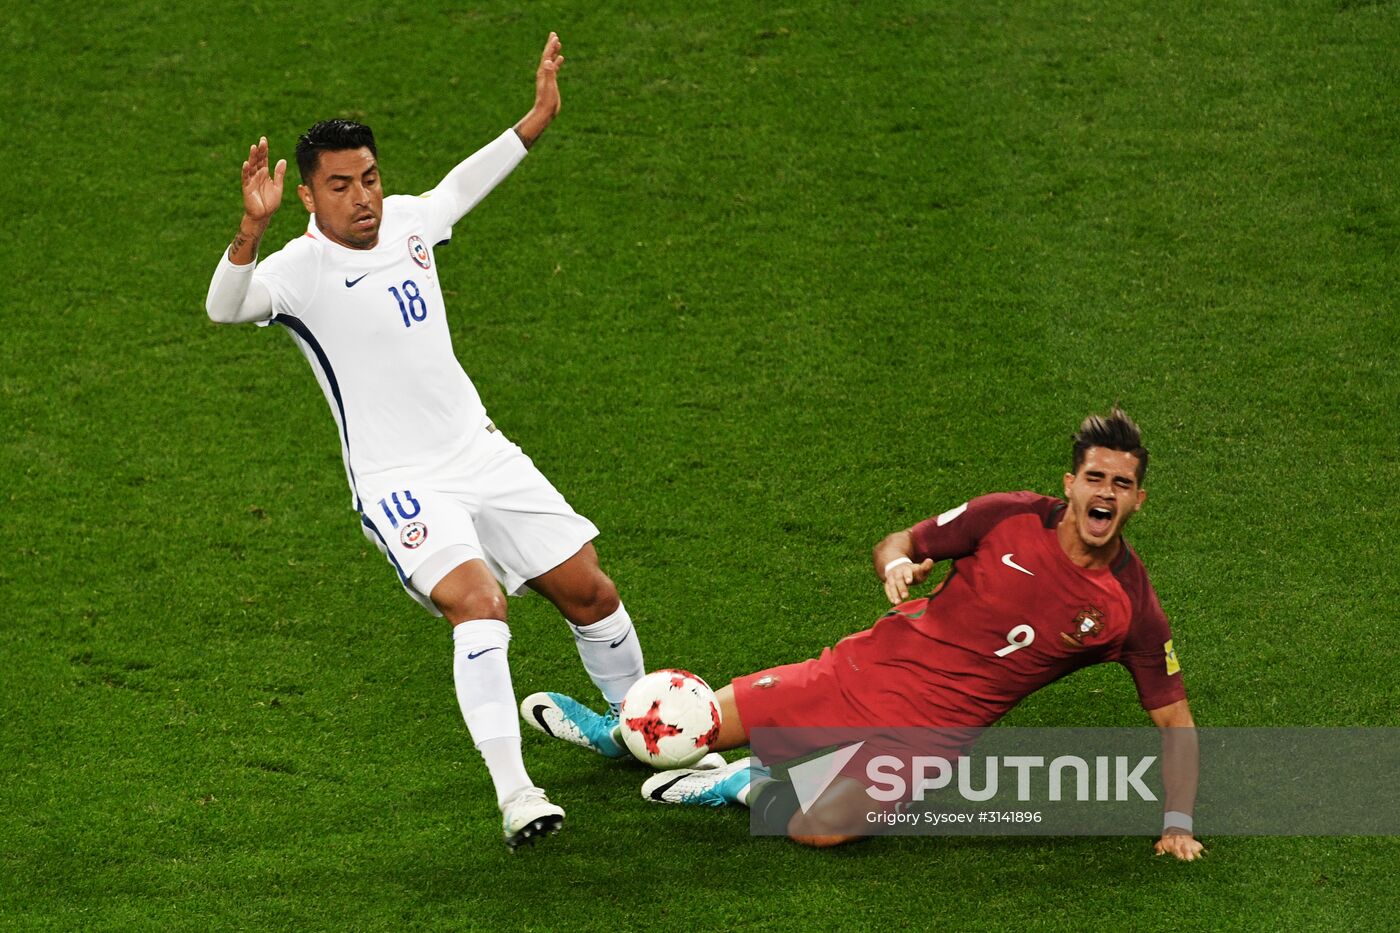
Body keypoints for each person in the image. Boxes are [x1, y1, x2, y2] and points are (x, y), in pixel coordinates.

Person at [203, 34, 648, 849]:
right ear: (306, 196)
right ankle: (517, 792)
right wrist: (246, 232)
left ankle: (642, 727)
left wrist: (537, 118)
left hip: (479, 450)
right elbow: (224, 308)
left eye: (369, 178)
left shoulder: (408, 223)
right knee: (480, 605)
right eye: (340, 186)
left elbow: (457, 187)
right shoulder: (298, 272)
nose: (363, 198)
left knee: (593, 593)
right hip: (399, 479)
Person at [529, 410, 1205, 860]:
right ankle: (615, 733)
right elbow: (901, 540)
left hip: (926, 739)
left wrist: (1177, 821)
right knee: (697, 720)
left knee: (819, 827)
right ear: (1072, 481)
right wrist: (898, 564)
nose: (1107, 493)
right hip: (856, 672)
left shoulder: (1129, 607)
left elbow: (1175, 721)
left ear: (1138, 498)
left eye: (1122, 483)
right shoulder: (1008, 517)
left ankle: (739, 783)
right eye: (1096, 477)